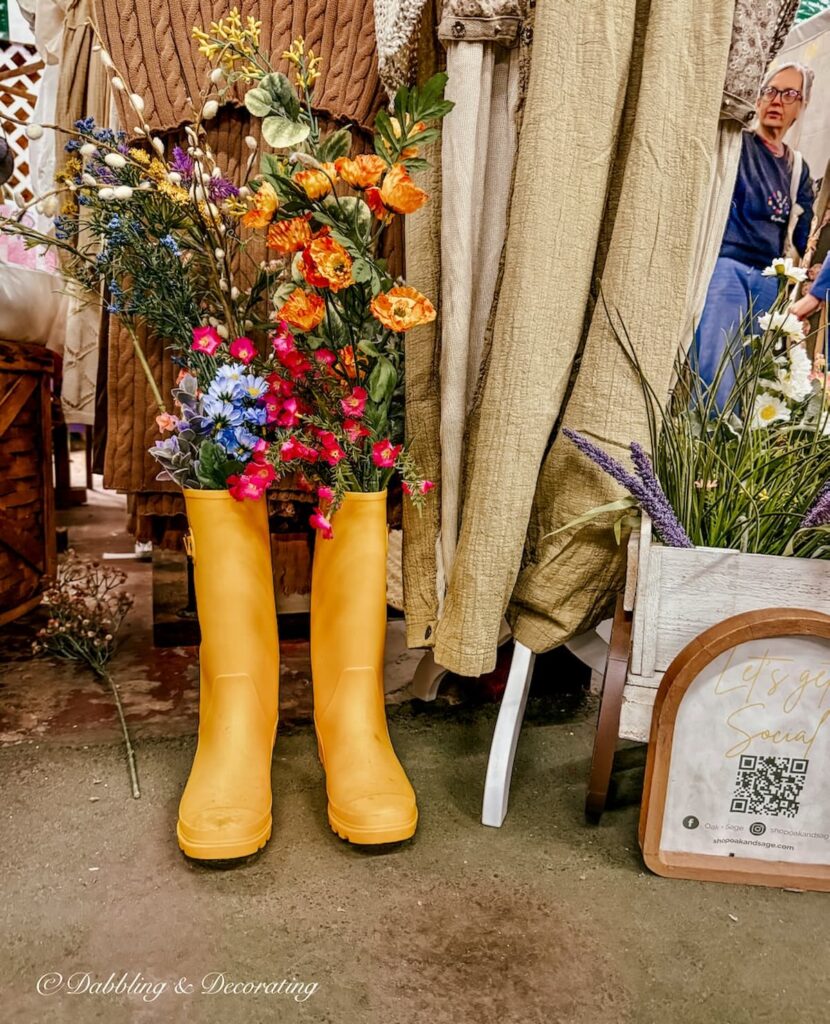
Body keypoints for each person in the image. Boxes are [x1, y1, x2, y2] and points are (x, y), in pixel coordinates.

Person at [693, 63, 815, 406]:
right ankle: (700, 446)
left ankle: (727, 450)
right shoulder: (736, 144)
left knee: (751, 375)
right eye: (771, 90)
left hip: (768, 277)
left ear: (801, 106)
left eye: (790, 94)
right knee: (714, 369)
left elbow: (802, 232)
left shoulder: (797, 167)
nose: (777, 100)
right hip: (726, 266)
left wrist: (809, 275)